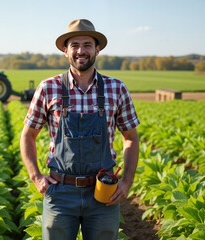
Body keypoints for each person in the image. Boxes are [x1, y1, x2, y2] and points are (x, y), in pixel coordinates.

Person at [20, 19, 140, 240]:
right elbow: (28, 134)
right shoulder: (48, 87)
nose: (81, 51)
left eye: (87, 44)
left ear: (98, 49)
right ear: (65, 51)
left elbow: (131, 137)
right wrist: (36, 176)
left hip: (103, 192)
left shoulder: (116, 88)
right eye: (75, 45)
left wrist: (127, 182)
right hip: (61, 193)